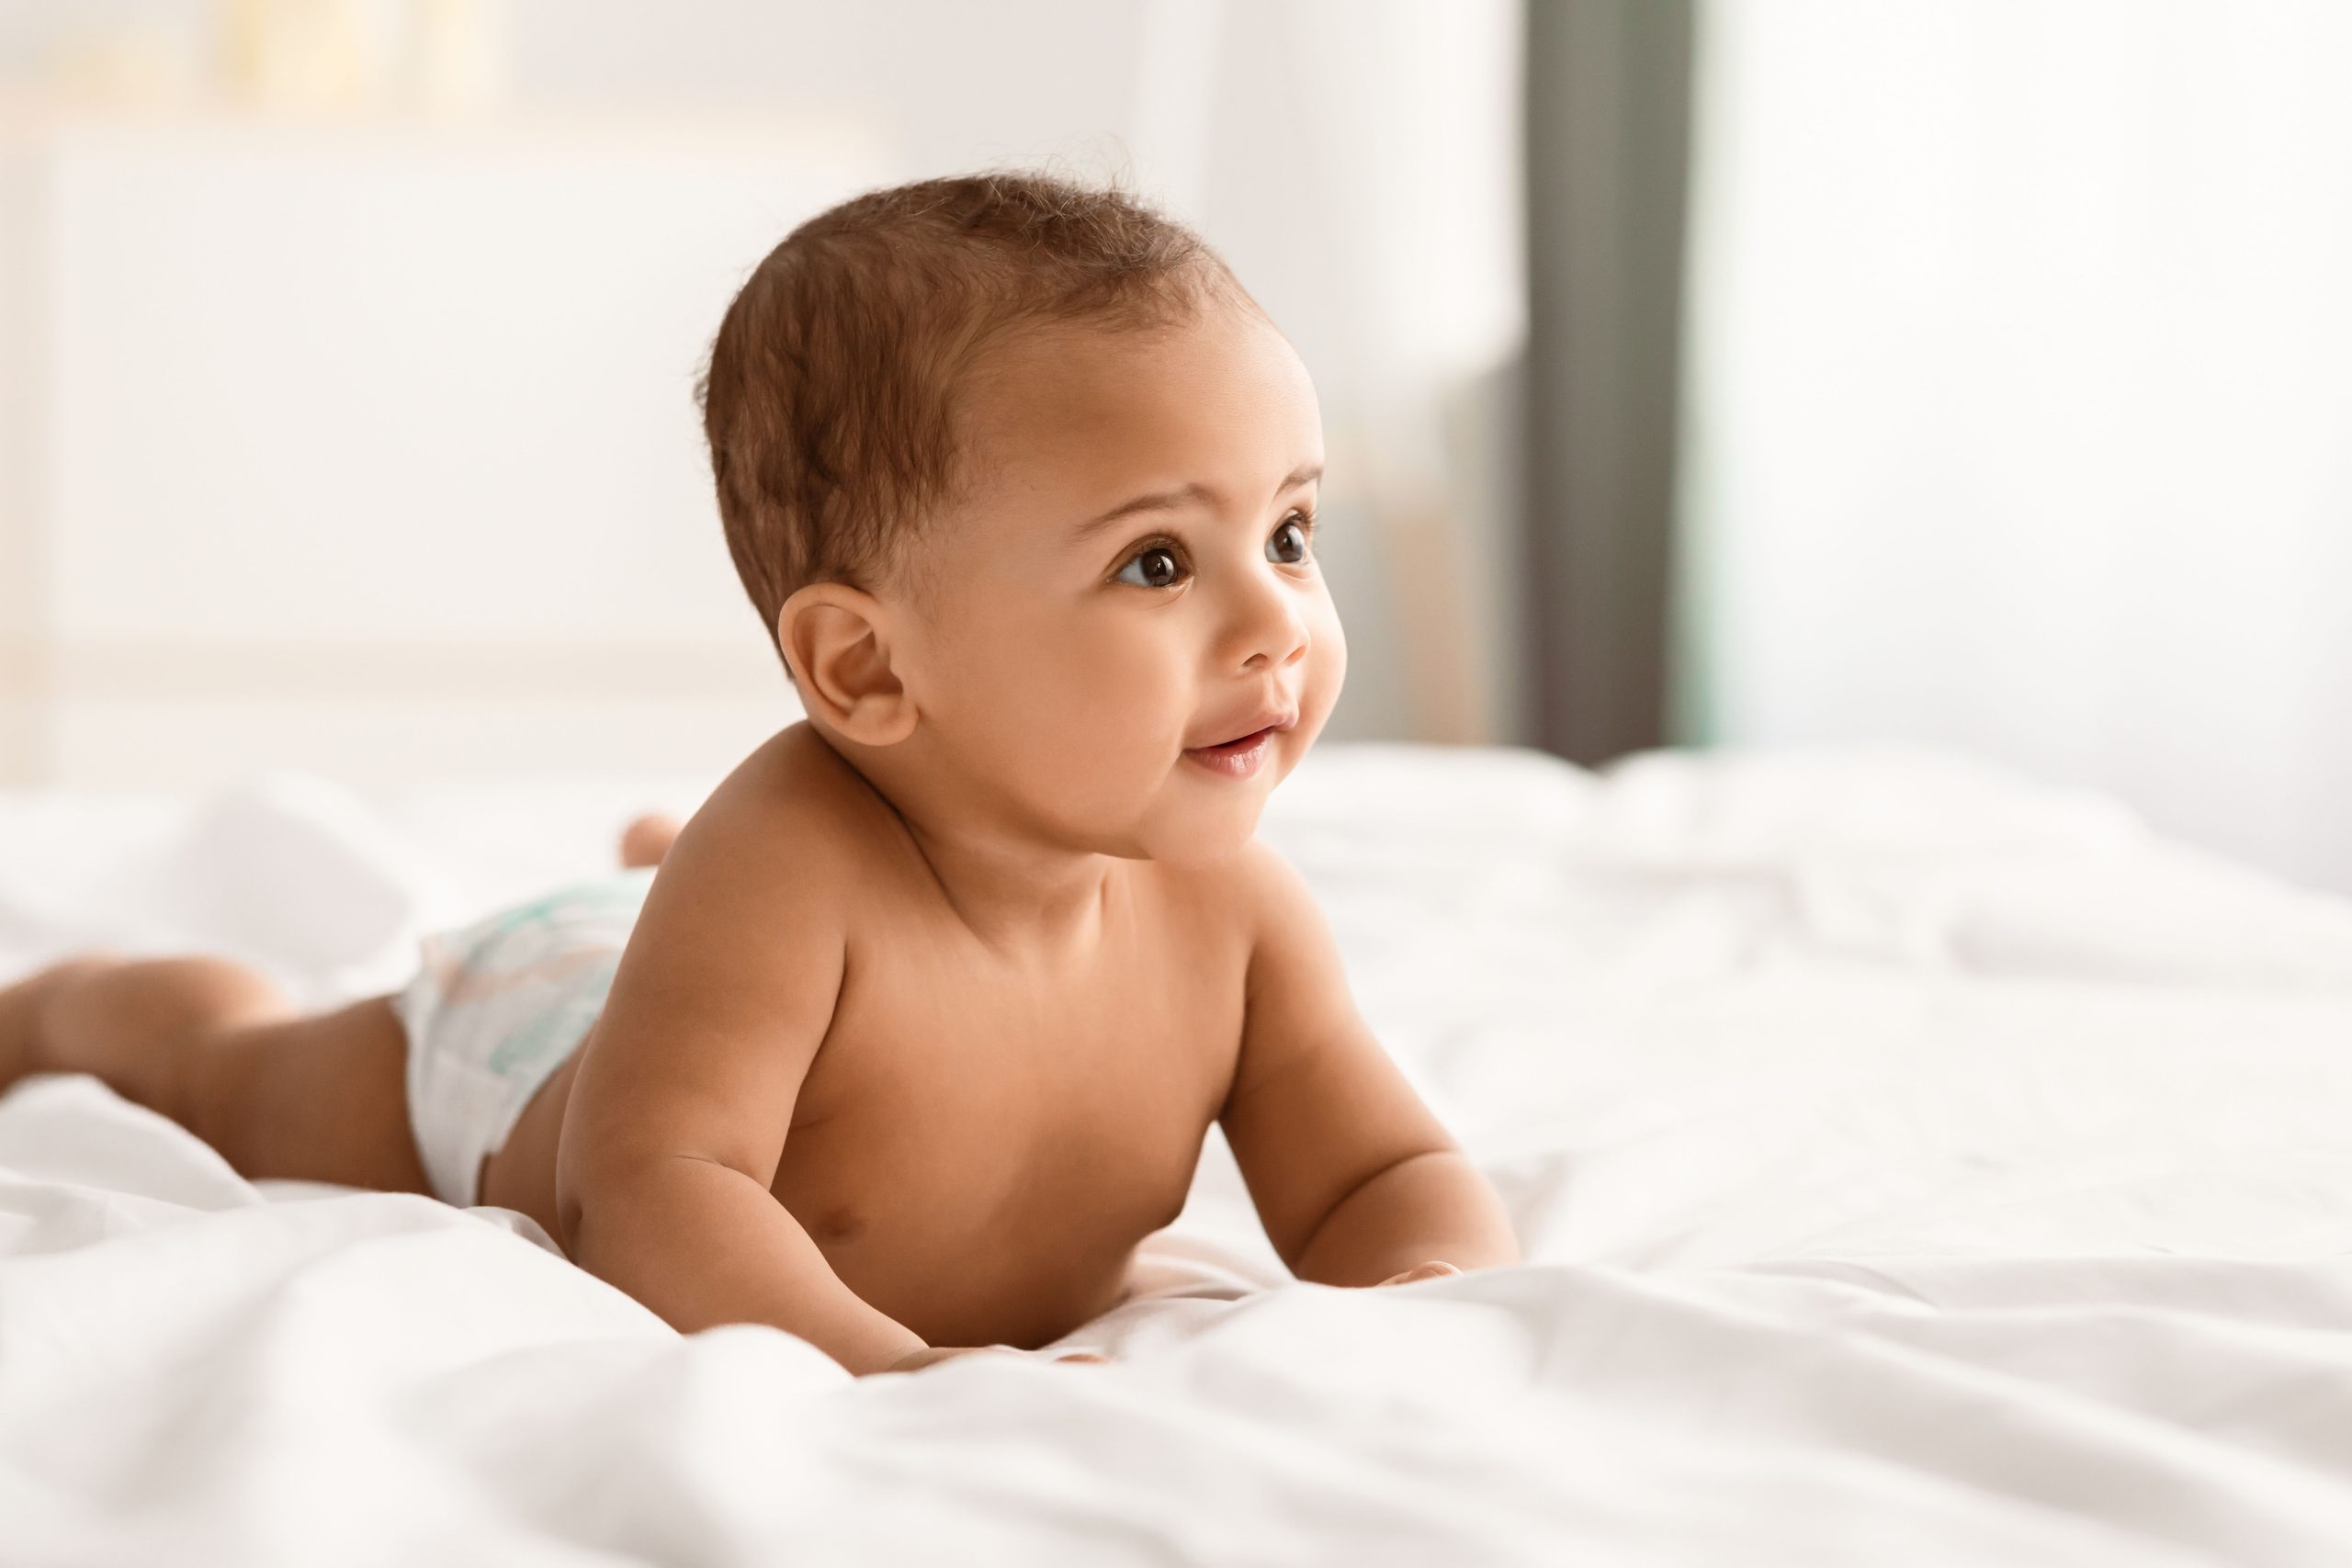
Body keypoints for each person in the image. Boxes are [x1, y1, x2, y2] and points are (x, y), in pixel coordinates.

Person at [0, 172, 1521, 1377]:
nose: (1275, 621)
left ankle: (646, 886)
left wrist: (1429, 1297)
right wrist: (886, 1370)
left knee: (708, 965)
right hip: (532, 1051)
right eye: (1157, 561)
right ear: (865, 671)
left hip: (699, 973)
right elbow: (654, 1192)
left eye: (1293, 534)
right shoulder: (790, 862)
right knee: (242, 1069)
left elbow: (1378, 1174)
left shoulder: (1234, 915)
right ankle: (91, 999)